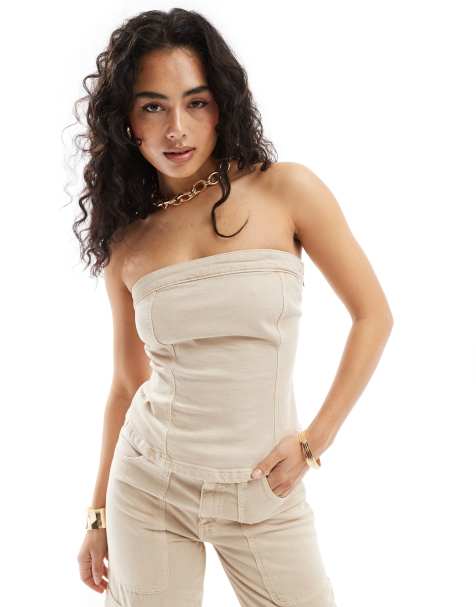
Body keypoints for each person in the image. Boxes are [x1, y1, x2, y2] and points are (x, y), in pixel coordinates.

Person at [74, 8, 393, 607]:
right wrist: (97, 513)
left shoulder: (285, 190)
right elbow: (125, 384)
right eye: (153, 107)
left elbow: (372, 316)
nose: (176, 129)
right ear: (126, 122)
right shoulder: (129, 243)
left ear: (222, 105)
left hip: (264, 491)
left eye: (195, 102)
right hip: (148, 485)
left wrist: (313, 442)